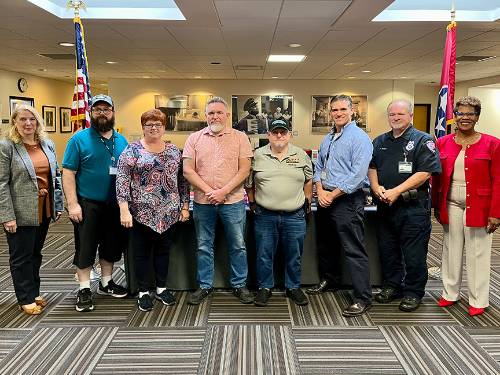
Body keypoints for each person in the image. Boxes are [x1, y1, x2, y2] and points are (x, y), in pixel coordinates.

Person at [368, 99, 441, 312]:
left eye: (400, 114)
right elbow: (372, 167)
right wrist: (376, 187)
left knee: (414, 254)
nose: (396, 118)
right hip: (386, 206)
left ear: (410, 115)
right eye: (392, 114)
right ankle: (392, 286)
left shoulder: (423, 140)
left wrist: (396, 191)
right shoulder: (380, 141)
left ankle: (413, 292)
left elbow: (424, 173)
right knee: (388, 251)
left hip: (412, 208)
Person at [116, 109, 190, 312]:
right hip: (141, 214)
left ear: (164, 128)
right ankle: (143, 291)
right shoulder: (132, 151)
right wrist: (124, 209)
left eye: (158, 124)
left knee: (163, 252)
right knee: (141, 254)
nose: (154, 128)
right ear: (143, 127)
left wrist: (184, 206)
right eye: (149, 124)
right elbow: (122, 181)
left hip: (169, 213)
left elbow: (182, 181)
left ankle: (161, 288)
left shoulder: (175, 151)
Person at [432, 96, 500, 316]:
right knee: (450, 250)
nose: (465, 118)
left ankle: (478, 299)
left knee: (478, 252)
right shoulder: (443, 142)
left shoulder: (493, 143)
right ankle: (449, 293)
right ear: (454, 116)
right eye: (461, 113)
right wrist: (435, 205)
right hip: (451, 201)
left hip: (479, 204)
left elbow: (499, 180)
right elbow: (437, 178)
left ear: (477, 117)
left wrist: (496, 213)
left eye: (470, 114)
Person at [307, 94, 373, 317]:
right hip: (326, 197)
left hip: (346, 200)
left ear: (351, 110)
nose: (338, 113)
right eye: (334, 110)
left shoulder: (360, 138)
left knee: (353, 249)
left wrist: (332, 195)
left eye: (342, 109)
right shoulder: (328, 138)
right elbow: (319, 166)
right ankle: (330, 281)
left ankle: (363, 297)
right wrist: (320, 189)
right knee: (327, 244)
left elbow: (357, 176)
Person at [183, 96, 254, 305]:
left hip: (233, 202)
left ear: (227, 115)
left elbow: (244, 170)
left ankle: (239, 284)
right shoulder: (194, 139)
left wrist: (223, 191)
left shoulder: (240, 137)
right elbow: (188, 170)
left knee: (238, 245)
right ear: (206, 116)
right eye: (211, 113)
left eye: (219, 112)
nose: (215, 116)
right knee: (204, 246)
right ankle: (205, 285)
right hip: (204, 203)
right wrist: (209, 191)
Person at [62, 94, 129, 312]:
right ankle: (84, 288)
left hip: (115, 204)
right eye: (97, 109)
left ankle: (106, 283)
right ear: (91, 113)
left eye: (106, 109)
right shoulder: (78, 139)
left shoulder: (122, 141)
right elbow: (68, 173)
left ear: (113, 113)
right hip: (87, 203)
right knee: (86, 247)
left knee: (111, 246)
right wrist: (72, 204)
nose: (102, 113)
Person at [0, 105, 63, 315]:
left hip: (43, 209)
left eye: (32, 120)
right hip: (20, 212)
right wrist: (7, 216)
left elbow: (56, 176)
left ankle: (34, 291)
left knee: (35, 254)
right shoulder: (7, 146)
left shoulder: (47, 144)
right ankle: (24, 297)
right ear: (15, 123)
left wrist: (58, 204)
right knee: (21, 256)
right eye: (23, 120)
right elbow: (1, 184)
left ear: (37, 122)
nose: (28, 124)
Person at [246, 119, 313, 307]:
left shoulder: (301, 155)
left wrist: (307, 202)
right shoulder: (257, 155)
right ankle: (264, 288)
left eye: (283, 132)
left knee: (294, 254)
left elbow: (309, 180)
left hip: (295, 215)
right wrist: (252, 202)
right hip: (265, 215)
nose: (279, 136)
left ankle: (293, 287)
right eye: (275, 132)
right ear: (268, 135)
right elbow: (249, 183)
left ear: (289, 135)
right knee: (264, 254)